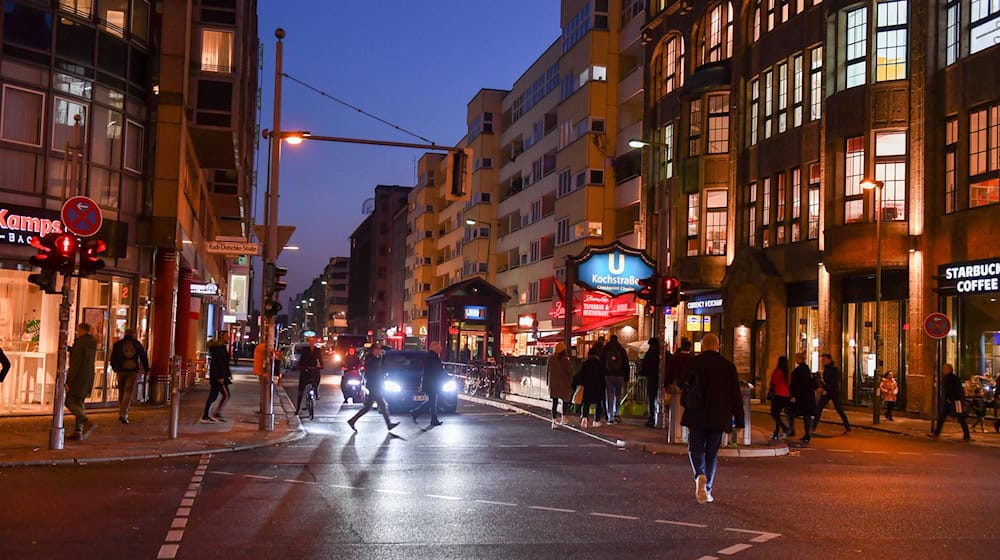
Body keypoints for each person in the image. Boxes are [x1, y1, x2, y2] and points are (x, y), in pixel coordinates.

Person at [678, 333, 743, 505]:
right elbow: (736, 395)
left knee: (695, 448)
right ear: (717, 346)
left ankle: (699, 474)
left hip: (697, 412)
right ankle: (707, 490)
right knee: (712, 453)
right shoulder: (727, 366)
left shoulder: (693, 362)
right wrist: (740, 421)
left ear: (702, 346)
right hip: (719, 415)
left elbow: (681, 382)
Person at [347, 341, 399, 432]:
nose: (380, 350)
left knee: (370, 407)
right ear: (374, 350)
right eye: (378, 349)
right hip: (373, 385)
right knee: (380, 405)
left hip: (375, 385)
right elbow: (373, 373)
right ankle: (389, 424)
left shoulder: (375, 359)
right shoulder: (372, 360)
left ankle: (352, 420)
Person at [109, 329, 149, 424]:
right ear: (133, 335)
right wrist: (146, 369)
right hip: (132, 371)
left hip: (121, 370)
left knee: (121, 391)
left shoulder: (118, 344)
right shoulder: (136, 344)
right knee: (128, 391)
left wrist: (115, 368)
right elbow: (143, 356)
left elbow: (112, 358)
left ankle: (121, 410)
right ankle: (124, 413)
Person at [65, 323, 99, 440]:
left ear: (81, 330)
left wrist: (68, 381)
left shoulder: (80, 343)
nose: (76, 332)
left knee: (69, 402)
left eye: (77, 330)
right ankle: (78, 431)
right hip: (88, 376)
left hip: (78, 377)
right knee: (79, 403)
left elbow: (76, 364)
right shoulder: (92, 342)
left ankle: (86, 420)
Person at [813, 353, 851, 434]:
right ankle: (813, 428)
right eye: (822, 360)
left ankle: (847, 427)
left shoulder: (834, 370)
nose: (823, 361)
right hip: (827, 392)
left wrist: (824, 388)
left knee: (839, 409)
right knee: (818, 408)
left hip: (833, 392)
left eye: (824, 359)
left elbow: (833, 383)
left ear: (829, 360)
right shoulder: (826, 369)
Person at [932, 363, 970, 440]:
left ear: (948, 369)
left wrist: (950, 398)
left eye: (944, 369)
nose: (943, 370)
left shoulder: (949, 378)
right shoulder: (952, 378)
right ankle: (936, 432)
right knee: (943, 417)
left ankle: (966, 435)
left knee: (959, 417)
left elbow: (952, 390)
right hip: (953, 401)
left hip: (954, 401)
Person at [201, 332, 233, 423]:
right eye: (227, 336)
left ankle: (208, 415)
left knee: (215, 396)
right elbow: (219, 364)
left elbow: (224, 363)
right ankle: (210, 415)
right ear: (221, 337)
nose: (228, 338)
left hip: (219, 376)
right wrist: (221, 376)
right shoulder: (219, 349)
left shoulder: (220, 348)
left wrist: (228, 373)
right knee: (224, 395)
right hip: (218, 377)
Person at [411, 342, 445, 426]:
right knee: (432, 402)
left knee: (432, 402)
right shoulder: (433, 357)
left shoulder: (431, 356)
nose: (441, 349)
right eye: (439, 347)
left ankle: (433, 419)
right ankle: (416, 412)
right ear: (434, 348)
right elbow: (438, 370)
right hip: (432, 383)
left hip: (430, 383)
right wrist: (447, 377)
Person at [572, 348, 606, 428]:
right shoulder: (600, 364)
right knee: (598, 404)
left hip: (587, 387)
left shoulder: (585, 364)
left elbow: (580, 376)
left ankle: (584, 418)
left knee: (586, 403)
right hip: (598, 387)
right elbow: (603, 377)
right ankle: (596, 421)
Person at [787, 352, 816, 443]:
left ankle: (792, 430)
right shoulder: (807, 369)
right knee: (806, 415)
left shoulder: (798, 370)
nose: (795, 359)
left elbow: (795, 384)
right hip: (808, 396)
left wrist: (792, 395)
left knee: (790, 411)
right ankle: (807, 434)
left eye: (796, 358)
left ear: (799, 359)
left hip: (800, 396)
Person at [601, 334, 629, 423]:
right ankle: (616, 413)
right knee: (618, 395)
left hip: (608, 375)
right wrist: (626, 376)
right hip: (619, 375)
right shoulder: (621, 349)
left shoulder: (605, 349)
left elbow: (601, 362)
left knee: (609, 395)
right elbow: (626, 363)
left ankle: (610, 416)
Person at [546, 342, 573, 428]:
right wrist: (570, 381)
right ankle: (563, 418)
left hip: (553, 384)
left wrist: (548, 382)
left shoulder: (551, 359)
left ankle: (554, 421)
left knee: (554, 402)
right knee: (565, 401)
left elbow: (547, 371)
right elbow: (570, 372)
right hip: (564, 384)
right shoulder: (566, 360)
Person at [295, 337, 324, 414]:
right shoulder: (305, 349)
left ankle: (316, 391)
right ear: (309, 342)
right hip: (305, 370)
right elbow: (301, 360)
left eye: (313, 341)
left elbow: (320, 359)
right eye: (310, 341)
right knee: (301, 390)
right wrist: (301, 366)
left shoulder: (317, 350)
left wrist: (321, 365)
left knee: (317, 377)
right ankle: (297, 408)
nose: (311, 343)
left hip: (314, 369)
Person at [768, 356, 792, 440]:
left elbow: (774, 382)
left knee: (774, 413)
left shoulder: (777, 371)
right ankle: (776, 433)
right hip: (786, 395)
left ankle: (785, 428)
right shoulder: (788, 372)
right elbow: (789, 383)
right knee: (777, 414)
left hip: (778, 394)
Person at [639, 338, 661, 427]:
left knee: (651, 399)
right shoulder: (662, 353)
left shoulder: (649, 353)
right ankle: (658, 417)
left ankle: (652, 418)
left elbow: (645, 365)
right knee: (659, 399)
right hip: (660, 378)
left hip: (651, 378)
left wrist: (642, 372)